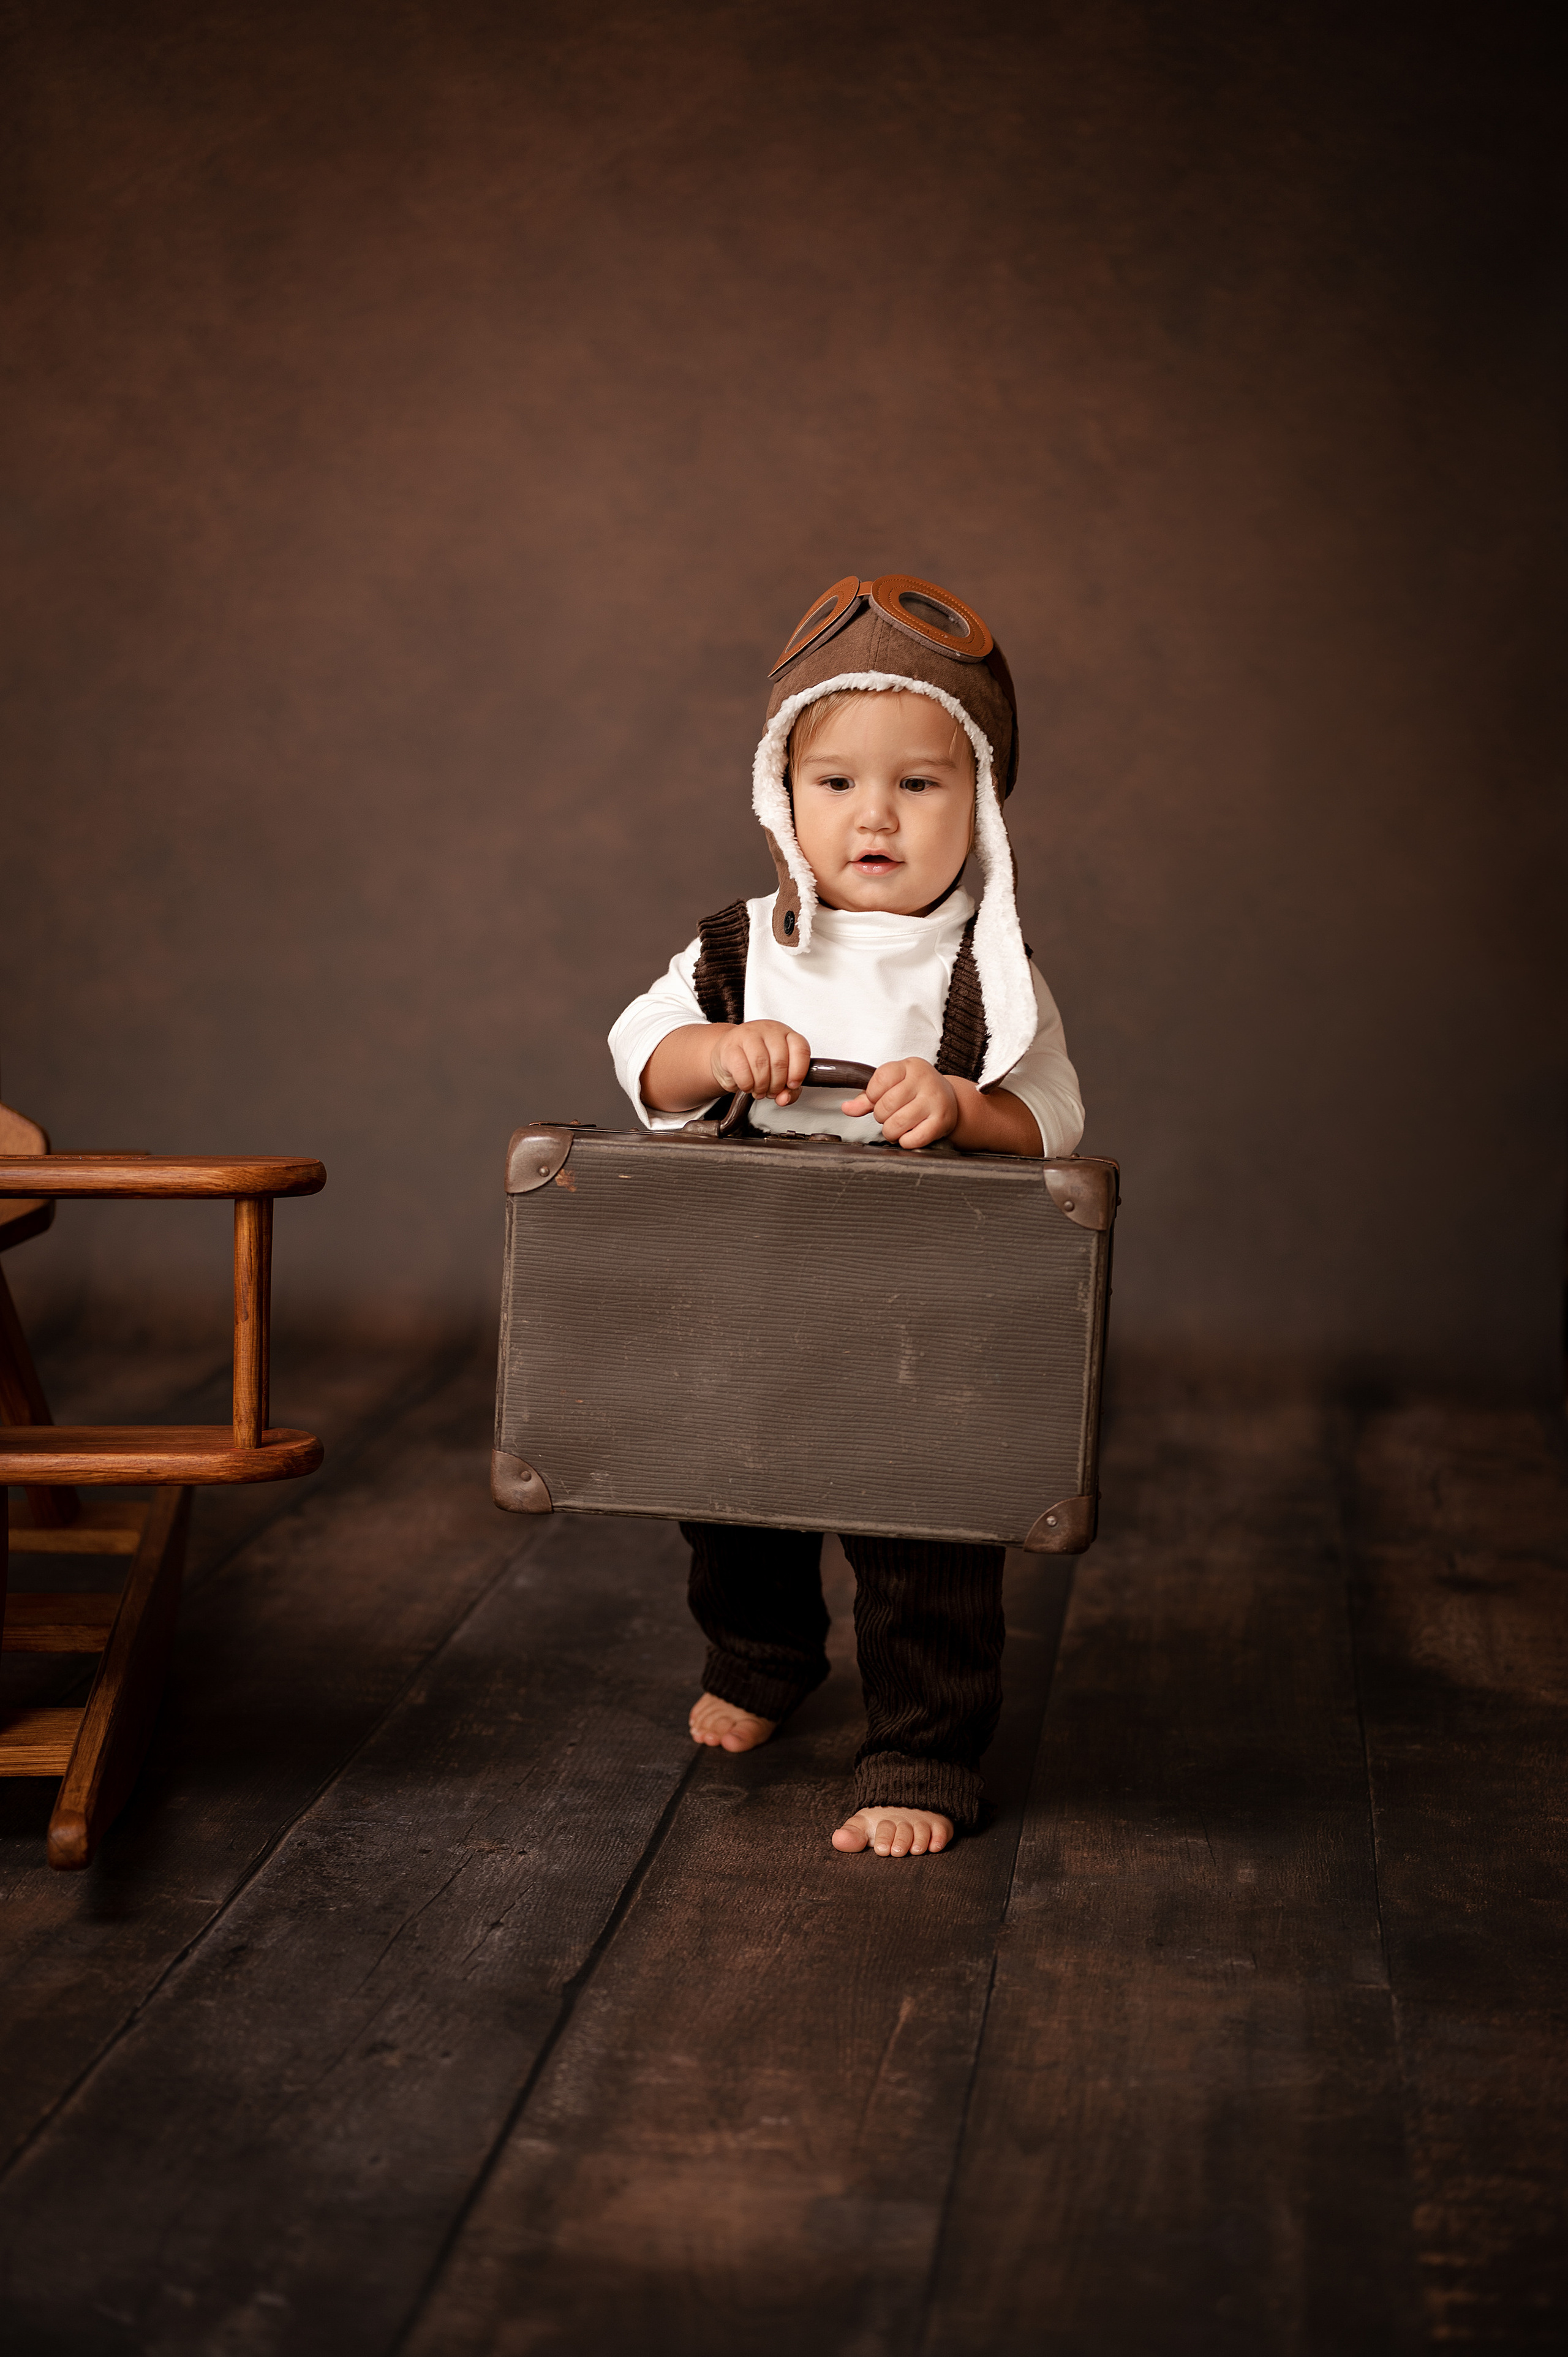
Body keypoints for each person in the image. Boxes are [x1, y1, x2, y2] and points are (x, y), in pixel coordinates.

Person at [608, 573, 1084, 1859]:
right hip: (751, 1289)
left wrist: (960, 1108)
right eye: (834, 784)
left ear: (976, 800)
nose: (871, 815)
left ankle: (922, 1749)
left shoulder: (988, 970)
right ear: (782, 794)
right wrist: (719, 1054)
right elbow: (640, 1058)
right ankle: (763, 1659)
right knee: (732, 1499)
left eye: (917, 785)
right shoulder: (737, 947)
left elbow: (1051, 1116)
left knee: (920, 1532)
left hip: (918, 1312)